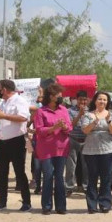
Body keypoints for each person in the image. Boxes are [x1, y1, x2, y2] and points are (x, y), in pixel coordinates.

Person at [0, 79, 32, 212]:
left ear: (5, 89)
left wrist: (4, 116)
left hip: (16, 141)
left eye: (0, 88)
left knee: (19, 172)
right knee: (2, 173)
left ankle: (26, 202)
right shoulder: (2, 102)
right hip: (2, 141)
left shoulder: (20, 101)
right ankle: (2, 202)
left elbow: (23, 118)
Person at [34, 84, 71, 215]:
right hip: (46, 149)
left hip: (61, 148)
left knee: (60, 177)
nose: (61, 97)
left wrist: (64, 127)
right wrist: (54, 128)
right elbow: (39, 130)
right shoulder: (41, 111)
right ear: (51, 96)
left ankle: (61, 206)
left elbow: (69, 128)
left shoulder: (64, 110)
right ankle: (47, 206)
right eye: (58, 95)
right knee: (48, 176)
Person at [81, 91, 112, 213]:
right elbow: (85, 131)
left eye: (105, 100)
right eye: (100, 99)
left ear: (107, 102)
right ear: (95, 100)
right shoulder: (88, 115)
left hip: (107, 149)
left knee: (106, 177)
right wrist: (94, 122)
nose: (102, 102)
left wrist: (108, 121)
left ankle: (105, 203)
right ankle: (92, 205)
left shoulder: (111, 115)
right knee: (92, 177)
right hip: (91, 150)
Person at [66, 91, 89, 197]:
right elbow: (70, 125)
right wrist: (79, 114)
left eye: (85, 99)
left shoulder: (91, 111)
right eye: (80, 99)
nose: (82, 102)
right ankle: (69, 187)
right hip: (73, 139)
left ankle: (86, 186)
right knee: (71, 165)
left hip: (87, 140)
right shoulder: (69, 111)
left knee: (86, 165)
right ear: (76, 99)